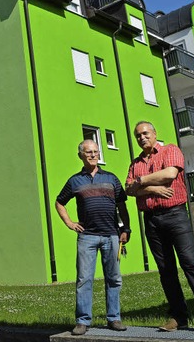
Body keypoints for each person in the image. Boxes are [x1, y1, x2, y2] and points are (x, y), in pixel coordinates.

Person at [125, 121, 194, 335]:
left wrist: (141, 181)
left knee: (190, 264)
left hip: (175, 215)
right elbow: (129, 189)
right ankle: (179, 317)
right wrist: (153, 188)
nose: (142, 138)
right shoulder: (135, 162)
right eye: (137, 136)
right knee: (166, 270)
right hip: (151, 219)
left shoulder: (170, 150)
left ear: (154, 133)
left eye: (145, 133)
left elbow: (169, 174)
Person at [56, 139, 131, 336]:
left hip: (112, 236)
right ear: (80, 155)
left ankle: (114, 318)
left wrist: (127, 229)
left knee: (114, 279)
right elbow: (59, 202)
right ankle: (82, 321)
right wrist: (70, 223)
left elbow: (122, 205)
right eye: (88, 152)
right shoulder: (75, 181)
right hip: (87, 237)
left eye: (96, 151)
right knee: (84, 280)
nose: (92, 155)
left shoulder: (112, 178)